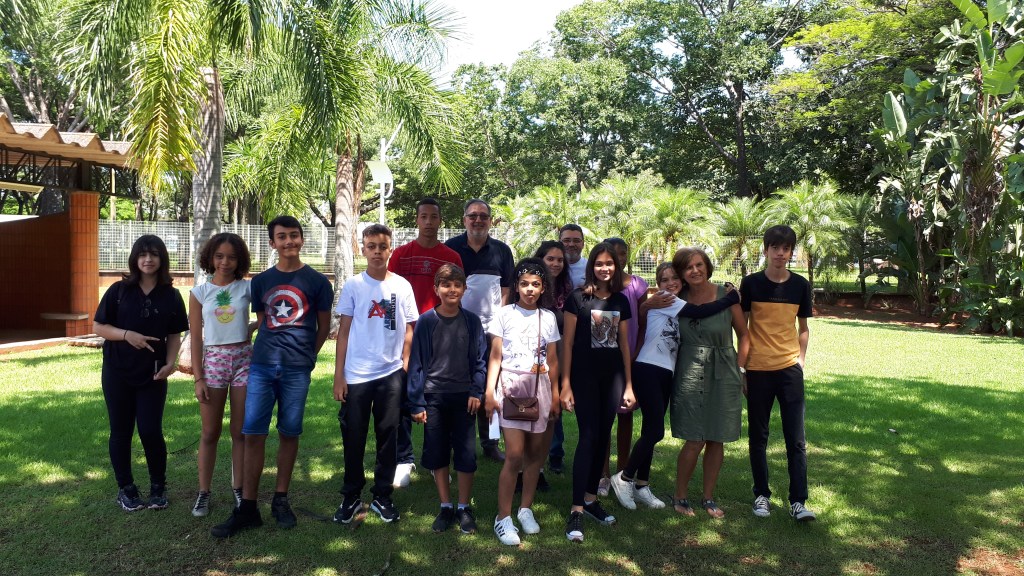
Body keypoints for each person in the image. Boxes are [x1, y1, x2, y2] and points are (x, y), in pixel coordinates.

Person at [212, 216, 333, 537]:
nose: (288, 241)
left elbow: (323, 327)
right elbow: (265, 320)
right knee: (253, 433)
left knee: (289, 432)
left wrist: (308, 357)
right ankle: (248, 508)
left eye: (294, 235)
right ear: (272, 243)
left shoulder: (318, 282)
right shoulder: (262, 281)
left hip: (296, 369)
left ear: (302, 239)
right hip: (262, 366)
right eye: (282, 236)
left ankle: (281, 499)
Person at [609, 260, 740, 512]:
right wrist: (731, 298)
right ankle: (624, 477)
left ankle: (642, 485)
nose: (670, 283)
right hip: (649, 368)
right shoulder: (666, 300)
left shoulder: (671, 302)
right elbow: (700, 312)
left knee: (650, 429)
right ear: (658, 284)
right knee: (655, 431)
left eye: (674, 278)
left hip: (666, 373)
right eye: (664, 280)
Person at [93, 235, 188, 512]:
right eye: (143, 254)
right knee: (121, 431)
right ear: (135, 258)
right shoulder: (119, 290)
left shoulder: (171, 295)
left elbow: (174, 334)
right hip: (117, 371)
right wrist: (127, 335)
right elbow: (99, 326)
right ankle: (126, 488)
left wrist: (170, 363)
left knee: (150, 430)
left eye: (154, 254)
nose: (148, 259)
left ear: (162, 259)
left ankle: (158, 487)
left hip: (153, 374)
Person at [332, 224, 418, 526]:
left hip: (391, 373)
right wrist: (339, 375)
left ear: (390, 249)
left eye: (383, 246)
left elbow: (409, 328)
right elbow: (343, 332)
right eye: (371, 246)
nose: (377, 252)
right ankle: (351, 495)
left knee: (388, 436)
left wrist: (404, 364)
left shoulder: (402, 286)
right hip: (356, 375)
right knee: (353, 436)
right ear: (363, 249)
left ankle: (383, 495)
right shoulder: (354, 286)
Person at [559, 242, 635, 543]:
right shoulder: (578, 298)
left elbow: (624, 344)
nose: (605, 268)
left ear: (617, 267)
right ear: (592, 266)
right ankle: (576, 509)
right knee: (588, 437)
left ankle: (591, 500)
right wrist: (566, 383)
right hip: (584, 378)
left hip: (612, 377)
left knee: (604, 438)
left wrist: (628, 384)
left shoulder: (621, 300)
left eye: (610, 263)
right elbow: (567, 344)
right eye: (600, 263)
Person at [740, 225, 816, 522]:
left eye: (786, 249)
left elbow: (803, 328)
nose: (780, 253)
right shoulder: (751, 284)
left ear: (791, 252)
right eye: (775, 248)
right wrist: (743, 369)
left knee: (796, 439)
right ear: (766, 250)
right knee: (758, 436)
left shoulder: (800, 285)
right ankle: (761, 495)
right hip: (758, 370)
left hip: (789, 371)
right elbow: (742, 329)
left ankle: (798, 501)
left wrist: (800, 361)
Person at [666, 249, 748, 519]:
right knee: (694, 438)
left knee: (716, 436)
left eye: (699, 265)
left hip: (724, 371)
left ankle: (708, 497)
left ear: (707, 267)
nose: (695, 271)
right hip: (689, 370)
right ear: (681, 273)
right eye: (688, 267)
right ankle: (680, 495)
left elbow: (744, 335)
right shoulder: (677, 297)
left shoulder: (727, 295)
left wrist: (741, 370)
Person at [388, 197, 464, 488]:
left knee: (438, 398)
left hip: (440, 335)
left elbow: (457, 296)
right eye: (424, 216)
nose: (429, 222)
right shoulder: (401, 255)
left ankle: (437, 458)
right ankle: (403, 459)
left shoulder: (451, 256)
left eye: (434, 217)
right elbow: (391, 293)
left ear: (440, 221)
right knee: (403, 396)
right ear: (417, 219)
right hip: (405, 335)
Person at [485, 258, 561, 545]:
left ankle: (525, 509)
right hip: (511, 387)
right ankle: (503, 517)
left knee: (535, 455)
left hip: (540, 387)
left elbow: (552, 359)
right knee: (514, 454)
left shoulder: (549, 317)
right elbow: (495, 356)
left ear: (543, 288)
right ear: (516, 286)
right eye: (525, 283)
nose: (530, 289)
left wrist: (555, 395)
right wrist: (489, 391)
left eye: (536, 284)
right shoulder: (504, 314)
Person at [407, 264, 487, 534]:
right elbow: (416, 363)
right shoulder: (426, 321)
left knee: (466, 454)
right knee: (437, 452)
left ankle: (464, 507)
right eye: (446, 285)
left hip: (465, 398)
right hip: (434, 398)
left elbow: (480, 360)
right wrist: (417, 402)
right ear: (436, 289)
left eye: (457, 285)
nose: (452, 290)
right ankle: (445, 506)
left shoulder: (472, 321)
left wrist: (476, 391)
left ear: (464, 289)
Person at [188, 233, 253, 517]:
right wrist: (198, 378)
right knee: (210, 432)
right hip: (213, 361)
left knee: (240, 432)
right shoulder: (199, 293)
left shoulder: (247, 288)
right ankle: (204, 492)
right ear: (210, 258)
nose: (225, 262)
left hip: (244, 360)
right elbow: (195, 338)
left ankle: (239, 488)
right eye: (219, 256)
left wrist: (251, 329)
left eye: (231, 257)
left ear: (240, 260)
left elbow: (265, 317)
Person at [445, 199, 515, 463]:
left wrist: (500, 323)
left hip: (491, 332)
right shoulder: (451, 248)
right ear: (464, 219)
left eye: (483, 216)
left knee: (491, 385)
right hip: (456, 329)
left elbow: (507, 289)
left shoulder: (501, 251)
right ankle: (459, 442)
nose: (478, 220)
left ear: (490, 221)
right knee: (459, 385)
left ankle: (490, 443)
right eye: (472, 215)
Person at [599, 237, 648, 497]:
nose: (619, 258)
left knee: (625, 415)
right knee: (604, 418)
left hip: (631, 360)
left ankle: (622, 471)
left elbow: (643, 322)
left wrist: (636, 353)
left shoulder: (637, 285)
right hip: (606, 361)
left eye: (623, 253)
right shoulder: (600, 288)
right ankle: (603, 473)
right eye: (613, 253)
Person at [534, 240, 572, 476]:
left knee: (553, 402)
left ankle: (555, 453)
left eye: (560, 260)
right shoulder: (531, 285)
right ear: (540, 259)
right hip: (532, 355)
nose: (556, 264)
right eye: (550, 259)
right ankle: (531, 461)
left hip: (558, 353)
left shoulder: (567, 289)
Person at [559, 224, 587, 289]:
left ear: (583, 244)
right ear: (559, 243)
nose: (571, 244)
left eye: (576, 241)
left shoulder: (590, 268)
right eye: (566, 240)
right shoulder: (550, 267)